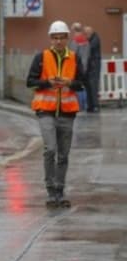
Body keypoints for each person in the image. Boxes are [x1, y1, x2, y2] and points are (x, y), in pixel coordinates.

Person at [27, 20, 86, 208]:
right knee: (50, 149)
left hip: (67, 113)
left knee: (63, 155)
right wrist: (48, 82)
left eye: (61, 38)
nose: (58, 41)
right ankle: (50, 190)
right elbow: (30, 81)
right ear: (50, 39)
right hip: (45, 110)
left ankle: (60, 190)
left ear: (67, 39)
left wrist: (69, 82)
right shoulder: (41, 57)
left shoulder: (75, 58)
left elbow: (82, 83)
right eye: (55, 38)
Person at [68, 22, 89, 110]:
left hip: (76, 66)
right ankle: (84, 105)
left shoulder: (75, 40)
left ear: (74, 30)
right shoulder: (85, 40)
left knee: (77, 86)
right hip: (85, 66)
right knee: (83, 86)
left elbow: (72, 54)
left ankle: (79, 106)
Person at [84, 25, 101, 112]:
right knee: (88, 86)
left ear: (90, 32)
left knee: (93, 86)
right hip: (89, 66)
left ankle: (95, 105)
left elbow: (89, 49)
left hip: (94, 66)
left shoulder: (95, 39)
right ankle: (90, 105)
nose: (85, 35)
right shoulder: (91, 39)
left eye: (86, 33)